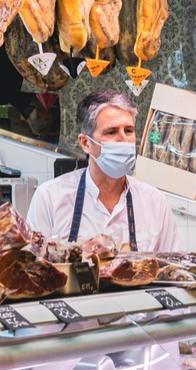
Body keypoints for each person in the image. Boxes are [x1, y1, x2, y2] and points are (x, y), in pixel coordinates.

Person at [26, 90, 176, 252]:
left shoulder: (155, 202)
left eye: (128, 131)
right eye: (111, 132)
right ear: (85, 143)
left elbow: (168, 270)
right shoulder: (49, 198)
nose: (123, 140)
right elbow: (34, 269)